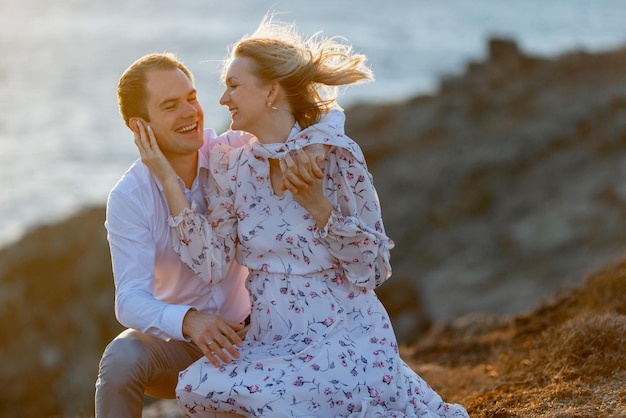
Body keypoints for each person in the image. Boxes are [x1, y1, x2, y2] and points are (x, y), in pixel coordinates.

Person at [136, 17, 469, 418]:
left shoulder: (336, 157)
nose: (222, 99)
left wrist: (317, 205)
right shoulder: (230, 162)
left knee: (275, 403)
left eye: (234, 85)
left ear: (272, 91)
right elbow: (212, 264)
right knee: (199, 385)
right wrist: (169, 182)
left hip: (343, 333)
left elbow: (374, 270)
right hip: (271, 337)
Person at [95, 52, 328, 418]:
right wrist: (190, 321)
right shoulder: (130, 197)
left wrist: (314, 144)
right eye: (171, 106)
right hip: (187, 349)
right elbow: (129, 300)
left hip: (263, 336)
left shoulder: (233, 151)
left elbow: (315, 113)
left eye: (191, 98)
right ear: (140, 127)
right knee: (122, 358)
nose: (190, 113)